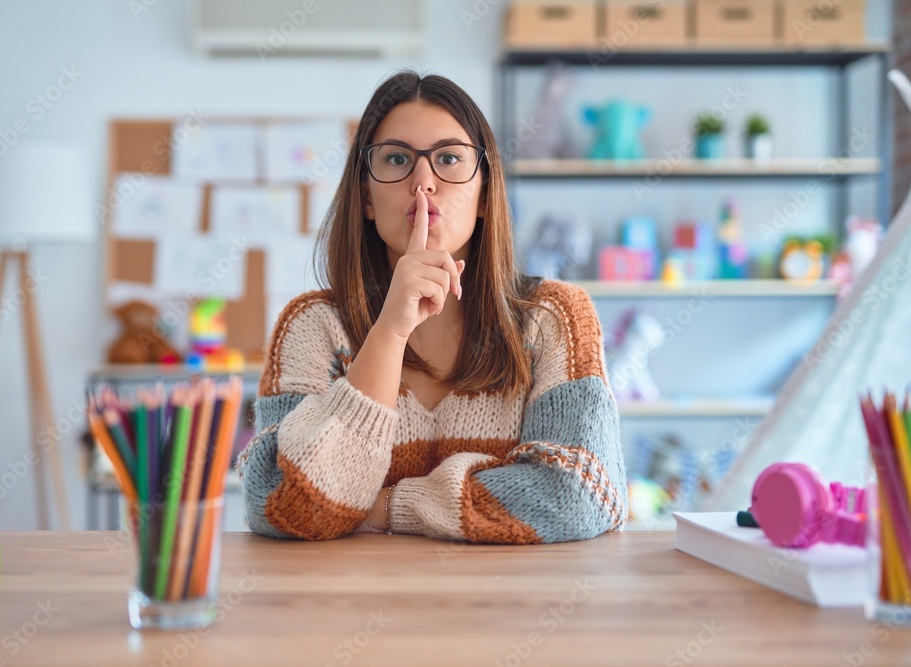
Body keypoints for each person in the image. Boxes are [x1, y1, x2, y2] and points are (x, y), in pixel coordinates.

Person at [238, 70, 626, 543]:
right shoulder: (313, 325)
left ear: (484, 194)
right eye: (398, 158)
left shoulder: (553, 317)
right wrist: (388, 332)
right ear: (366, 196)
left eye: (448, 158)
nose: (423, 182)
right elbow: (287, 505)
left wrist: (387, 507)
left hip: (510, 610)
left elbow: (580, 493)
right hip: (350, 610)